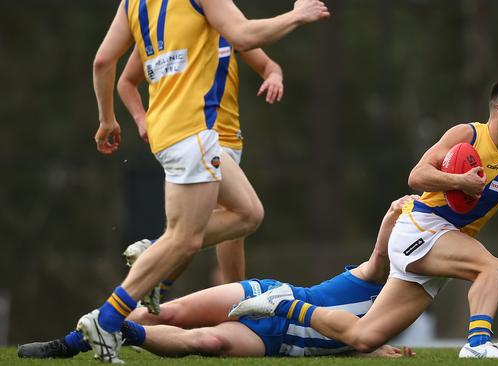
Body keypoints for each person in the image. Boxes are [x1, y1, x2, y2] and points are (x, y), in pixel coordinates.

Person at [229, 78, 498, 359]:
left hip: (440, 244)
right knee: (493, 267)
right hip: (420, 224)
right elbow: (417, 175)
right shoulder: (467, 136)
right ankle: (478, 343)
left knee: (363, 336)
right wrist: (460, 179)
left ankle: (282, 305)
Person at [84, 0, 329, 363]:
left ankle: (152, 261)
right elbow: (244, 33)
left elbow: (102, 62)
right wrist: (297, 15)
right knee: (184, 240)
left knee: (247, 213)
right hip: (194, 131)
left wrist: (107, 120)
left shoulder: (132, 3)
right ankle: (105, 320)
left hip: (176, 133)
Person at [17, 197, 418, 359]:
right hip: (265, 294)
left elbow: (355, 338)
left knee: (204, 342)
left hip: (273, 341)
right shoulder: (375, 280)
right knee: (166, 315)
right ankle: (68, 345)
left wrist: (371, 350)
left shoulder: (384, 325)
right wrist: (392, 215)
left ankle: (121, 332)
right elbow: (380, 256)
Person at [116, 37, 284, 313]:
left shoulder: (227, 26)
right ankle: (237, 305)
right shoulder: (168, 26)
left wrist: (274, 76)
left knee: (208, 229)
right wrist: (140, 119)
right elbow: (123, 79)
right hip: (197, 138)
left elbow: (268, 64)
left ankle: (144, 299)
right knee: (235, 219)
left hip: (229, 140)